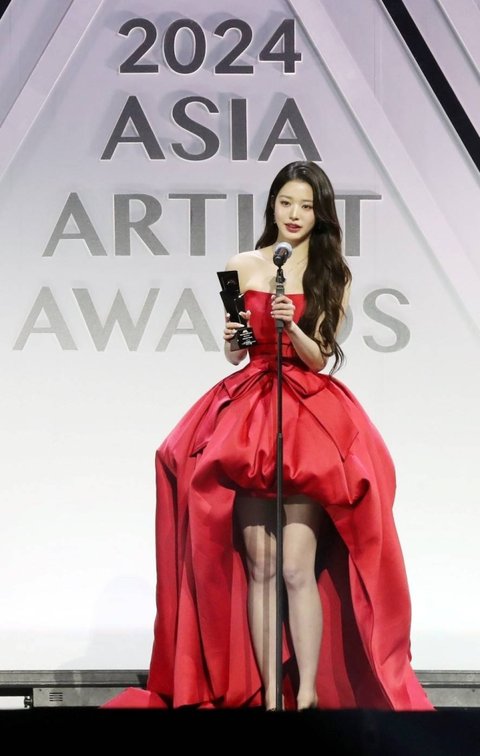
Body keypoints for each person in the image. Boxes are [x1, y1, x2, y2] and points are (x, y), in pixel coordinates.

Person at [105, 161, 434, 712]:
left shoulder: (333, 273)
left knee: (296, 565)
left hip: (306, 413)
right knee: (260, 564)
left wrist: (292, 326)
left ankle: (306, 695)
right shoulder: (242, 265)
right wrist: (236, 338)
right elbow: (234, 352)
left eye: (306, 206)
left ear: (320, 214)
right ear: (272, 206)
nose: (295, 215)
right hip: (249, 413)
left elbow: (321, 357)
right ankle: (271, 699)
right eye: (287, 203)